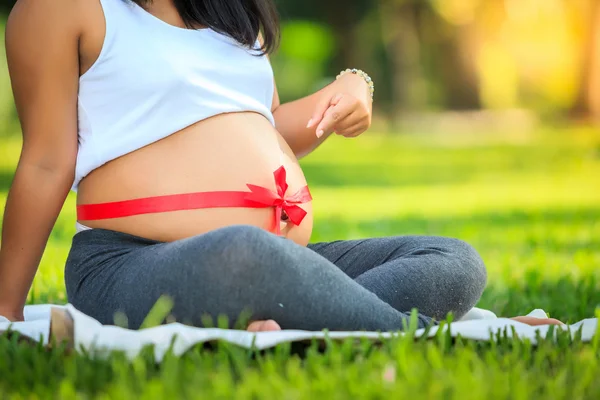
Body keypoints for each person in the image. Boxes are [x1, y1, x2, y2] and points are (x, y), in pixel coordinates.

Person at [0, 0, 561, 331]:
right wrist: (6, 312)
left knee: (450, 259)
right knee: (246, 251)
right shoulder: (62, 9)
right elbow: (48, 162)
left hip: (279, 260)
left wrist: (347, 88)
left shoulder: (233, 13)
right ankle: (439, 336)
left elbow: (260, 126)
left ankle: (301, 325)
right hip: (128, 262)